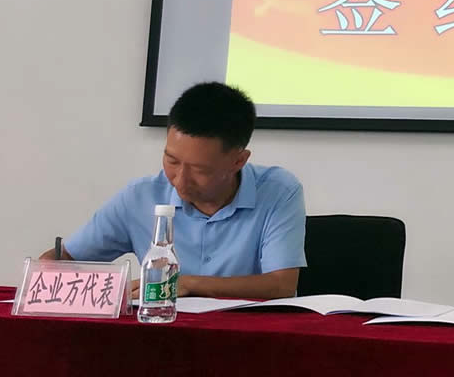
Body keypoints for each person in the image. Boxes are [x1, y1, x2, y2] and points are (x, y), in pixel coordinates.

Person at [40, 82, 306, 300]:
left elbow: (281, 285)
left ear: (239, 160)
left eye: (200, 170)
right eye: (171, 161)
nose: (180, 180)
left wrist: (186, 283)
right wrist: (48, 273)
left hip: (248, 337)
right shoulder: (139, 197)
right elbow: (62, 258)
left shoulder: (278, 191)